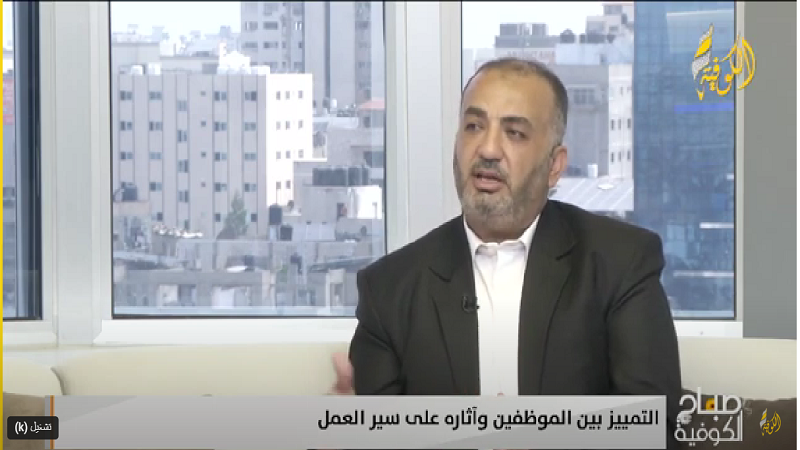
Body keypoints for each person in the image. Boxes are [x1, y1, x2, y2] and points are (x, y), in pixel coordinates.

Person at [331, 57, 681, 448]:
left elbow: (655, 430)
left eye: (514, 133)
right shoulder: (389, 289)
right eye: (474, 126)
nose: (488, 148)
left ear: (554, 165)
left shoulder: (621, 264)